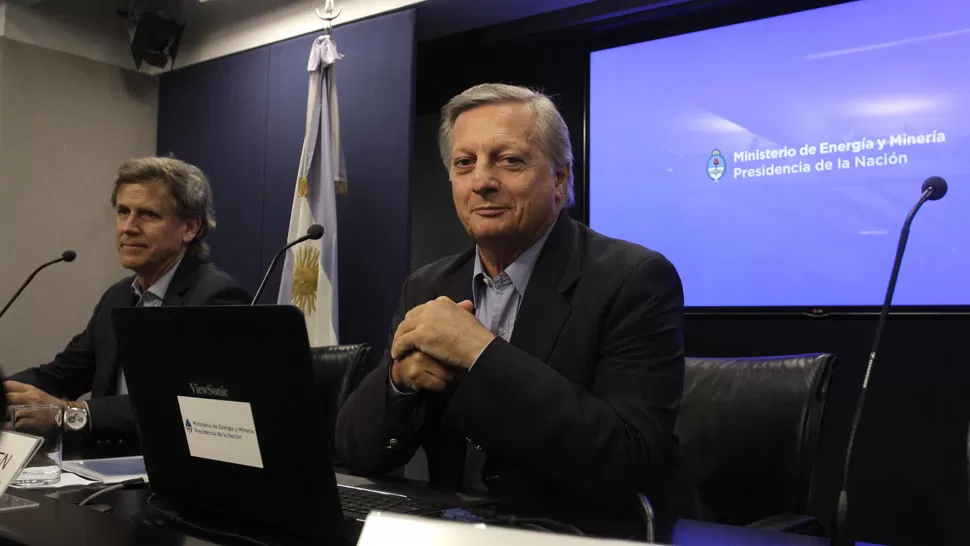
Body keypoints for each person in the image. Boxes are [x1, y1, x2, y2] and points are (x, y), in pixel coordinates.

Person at [335, 84, 703, 536]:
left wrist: (481, 354)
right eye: (464, 163)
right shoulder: (428, 286)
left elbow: (623, 462)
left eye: (509, 160)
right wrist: (399, 385)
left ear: (561, 178)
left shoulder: (635, 279)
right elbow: (356, 450)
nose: (483, 181)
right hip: (456, 533)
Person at [4, 157, 249, 443]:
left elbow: (180, 401)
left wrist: (70, 414)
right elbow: (63, 374)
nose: (128, 227)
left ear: (189, 228)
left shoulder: (215, 298)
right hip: (103, 467)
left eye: (148, 215)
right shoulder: (118, 297)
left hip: (175, 473)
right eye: (123, 211)